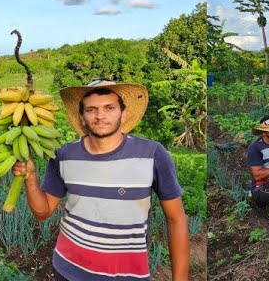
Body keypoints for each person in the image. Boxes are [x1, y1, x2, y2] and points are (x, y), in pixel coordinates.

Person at [10, 80, 189, 281]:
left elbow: (176, 219)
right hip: (68, 270)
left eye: (109, 108)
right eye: (91, 109)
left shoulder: (153, 154)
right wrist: (30, 177)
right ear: (82, 117)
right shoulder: (64, 155)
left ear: (124, 113)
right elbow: (43, 212)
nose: (100, 115)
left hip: (127, 276)